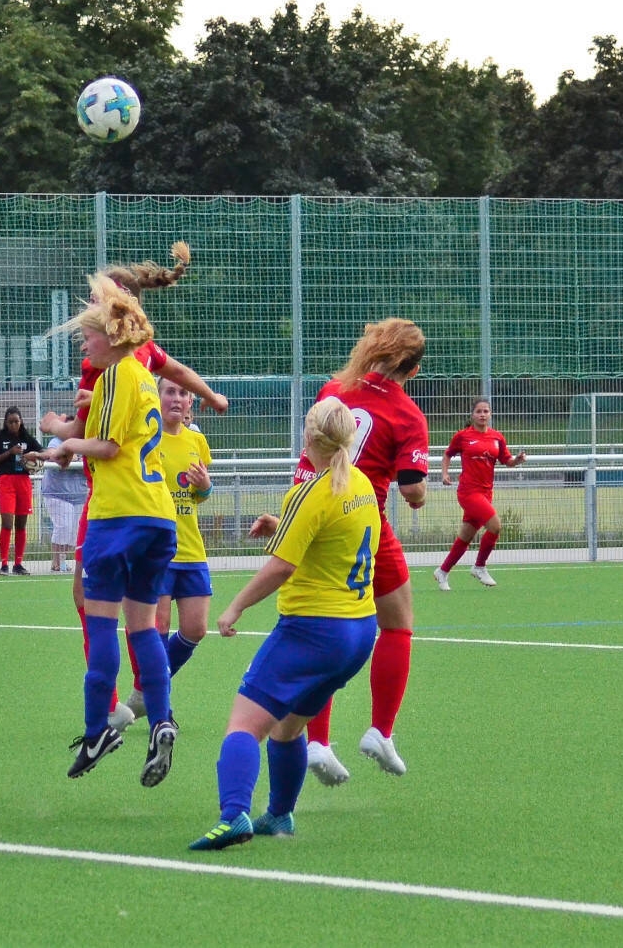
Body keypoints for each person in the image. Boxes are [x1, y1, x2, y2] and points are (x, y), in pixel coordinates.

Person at [40, 241, 229, 732]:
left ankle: (109, 707)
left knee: (94, 602)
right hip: (153, 506)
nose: (86, 317)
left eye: (94, 303)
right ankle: (155, 706)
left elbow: (97, 440)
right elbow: (175, 373)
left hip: (112, 501)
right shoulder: (143, 357)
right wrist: (212, 395)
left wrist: (58, 432)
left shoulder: (105, 366)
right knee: (145, 617)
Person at [189, 397, 380, 850]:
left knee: (244, 724)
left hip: (315, 629)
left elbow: (281, 567)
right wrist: (283, 525)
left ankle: (233, 814)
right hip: (359, 632)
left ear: (309, 437)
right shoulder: (360, 482)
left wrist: (235, 607)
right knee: (289, 727)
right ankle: (278, 815)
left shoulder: (309, 492)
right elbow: (332, 536)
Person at [48, 272, 179, 787]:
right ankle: (162, 720)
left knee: (100, 623)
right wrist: (66, 441)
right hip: (157, 517)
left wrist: (65, 442)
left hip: (117, 516)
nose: (84, 346)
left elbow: (107, 448)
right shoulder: (143, 376)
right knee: (143, 627)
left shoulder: (116, 376)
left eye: (88, 337)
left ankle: (95, 731)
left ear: (111, 335)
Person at [294, 318, 428, 786]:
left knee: (322, 624)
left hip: (311, 512)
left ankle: (317, 740)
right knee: (398, 622)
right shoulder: (407, 414)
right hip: (362, 519)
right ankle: (380, 731)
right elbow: (412, 490)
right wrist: (419, 492)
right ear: (412, 369)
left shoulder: (334, 389)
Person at [126, 377, 213, 719]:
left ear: (190, 402)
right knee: (158, 626)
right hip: (157, 550)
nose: (177, 398)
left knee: (196, 628)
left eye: (183, 393)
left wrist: (205, 487)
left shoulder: (197, 441)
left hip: (191, 548)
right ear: (157, 397)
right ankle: (161, 707)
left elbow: (199, 496)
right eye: (170, 392)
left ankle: (148, 688)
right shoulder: (145, 439)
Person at [434, 398, 526, 590]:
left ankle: (442, 571)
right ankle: (479, 566)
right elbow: (448, 454)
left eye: (486, 411)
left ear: (490, 414)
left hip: (486, 493)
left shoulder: (497, 437)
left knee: (465, 536)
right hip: (468, 492)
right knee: (495, 526)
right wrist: (444, 474)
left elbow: (507, 461)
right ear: (472, 415)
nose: (482, 415)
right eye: (479, 411)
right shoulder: (463, 436)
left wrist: (517, 460)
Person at [0, 407, 51, 576]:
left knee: (21, 524)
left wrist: (34, 455)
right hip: (6, 481)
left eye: (16, 421)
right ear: (5, 422)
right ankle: (4, 564)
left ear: (21, 421)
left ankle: (18, 563)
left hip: (23, 481)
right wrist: (10, 452)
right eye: (10, 422)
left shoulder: (26, 438)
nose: (14, 425)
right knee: (7, 523)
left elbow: (44, 451)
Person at [39, 426, 86, 572]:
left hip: (79, 495)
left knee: (74, 532)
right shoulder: (56, 442)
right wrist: (72, 457)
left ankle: (64, 560)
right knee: (63, 526)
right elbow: (53, 455)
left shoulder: (85, 443)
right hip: (57, 494)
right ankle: (57, 561)